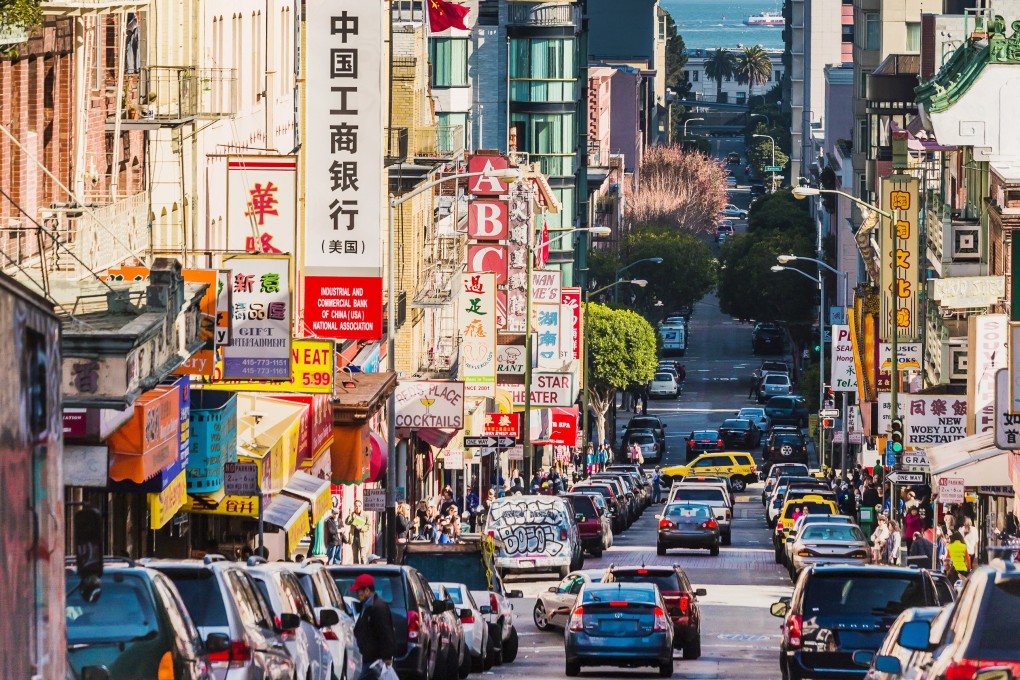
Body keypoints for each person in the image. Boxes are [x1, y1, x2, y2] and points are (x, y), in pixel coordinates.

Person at [350, 574, 396, 678]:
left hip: (375, 661)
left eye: (359, 591)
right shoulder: (366, 606)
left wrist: (387, 657)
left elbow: (386, 632)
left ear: (367, 590)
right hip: (366, 659)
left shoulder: (378, 608)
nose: (357, 594)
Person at [345, 500, 371, 565]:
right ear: (354, 507)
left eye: (359, 506)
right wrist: (350, 514)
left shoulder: (365, 515)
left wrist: (361, 528)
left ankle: (363, 570)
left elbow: (369, 526)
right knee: (355, 557)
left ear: (361, 506)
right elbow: (347, 522)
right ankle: (356, 571)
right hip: (354, 538)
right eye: (356, 506)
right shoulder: (352, 514)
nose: (357, 507)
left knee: (363, 556)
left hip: (362, 538)